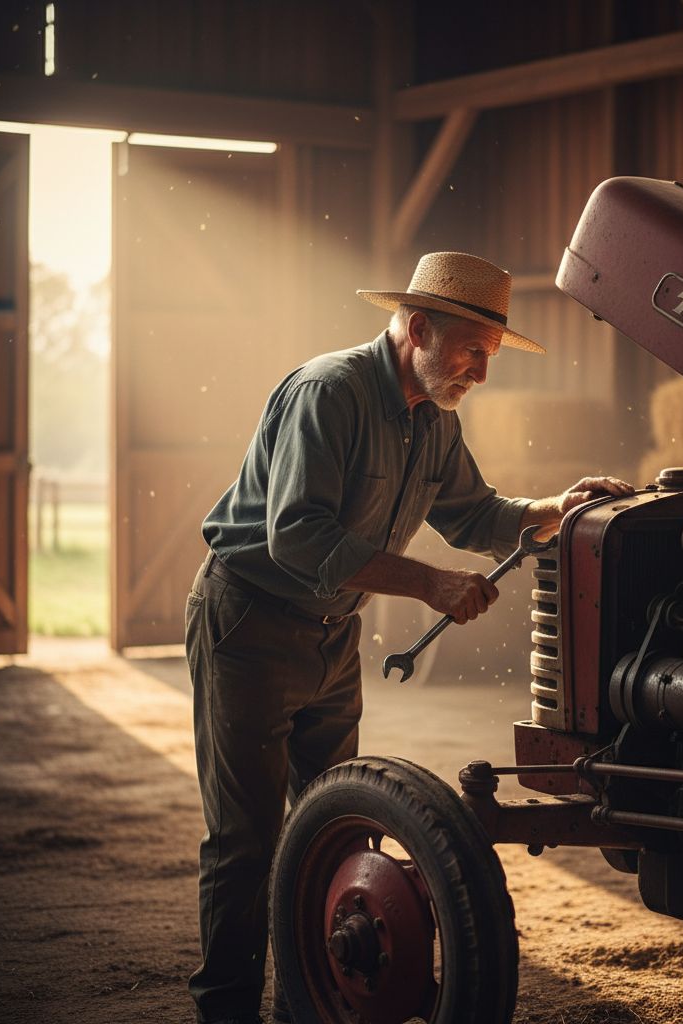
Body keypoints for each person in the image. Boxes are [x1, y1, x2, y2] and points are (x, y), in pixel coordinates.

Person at [184, 250, 633, 1023]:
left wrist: (555, 507)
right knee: (246, 842)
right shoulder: (330, 394)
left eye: (490, 357)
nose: (481, 376)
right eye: (473, 354)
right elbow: (294, 536)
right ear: (418, 327)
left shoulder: (435, 417)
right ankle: (224, 1012)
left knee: (331, 823)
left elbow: (475, 515)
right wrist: (430, 583)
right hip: (250, 626)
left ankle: (308, 1005)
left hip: (331, 633)